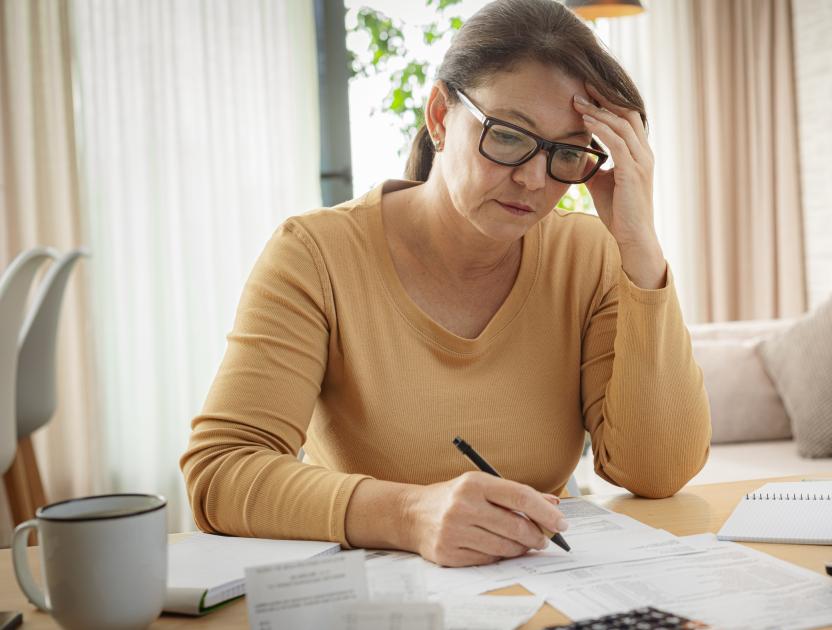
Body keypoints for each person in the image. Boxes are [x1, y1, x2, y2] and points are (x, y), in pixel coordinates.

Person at [181, 0, 710, 568]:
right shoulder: (315, 256)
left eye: (566, 152)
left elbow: (657, 473)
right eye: (509, 136)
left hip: (542, 588)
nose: (534, 179)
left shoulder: (588, 255)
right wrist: (410, 515)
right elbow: (222, 471)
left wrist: (641, 247)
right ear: (439, 115)